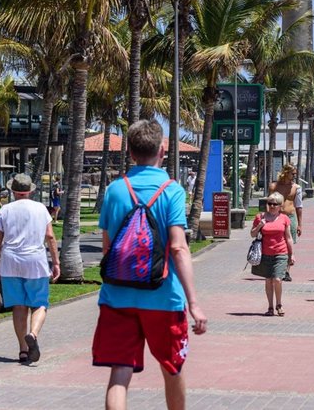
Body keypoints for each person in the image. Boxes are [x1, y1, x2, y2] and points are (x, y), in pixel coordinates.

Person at [92, 119, 207, 410]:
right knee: (172, 368)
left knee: (119, 372)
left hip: (117, 296)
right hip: (163, 298)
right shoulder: (171, 190)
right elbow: (178, 247)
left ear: (130, 152)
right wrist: (194, 303)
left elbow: (107, 247)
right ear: (163, 150)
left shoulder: (115, 190)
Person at [0, 173, 60, 364]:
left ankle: (23, 349)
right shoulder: (40, 209)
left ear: (13, 191)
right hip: (35, 261)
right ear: (30, 191)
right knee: (39, 303)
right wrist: (56, 262)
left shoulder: (5, 210)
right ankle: (33, 334)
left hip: (11, 261)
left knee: (19, 305)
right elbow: (51, 237)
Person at [249, 192, 294, 316]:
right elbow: (252, 234)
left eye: (275, 204)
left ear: (280, 206)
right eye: (270, 204)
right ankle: (270, 307)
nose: (272, 206)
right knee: (268, 280)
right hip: (265, 253)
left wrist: (291, 254)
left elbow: (288, 237)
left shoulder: (284, 218)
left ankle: (279, 304)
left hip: (281, 253)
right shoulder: (260, 217)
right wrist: (259, 225)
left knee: (278, 279)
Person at [269, 164, 302, 282]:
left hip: (291, 217)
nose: (294, 176)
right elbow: (269, 204)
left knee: (289, 243)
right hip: (276, 217)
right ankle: (276, 268)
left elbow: (299, 206)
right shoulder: (274, 186)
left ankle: (287, 271)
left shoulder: (296, 187)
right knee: (275, 243)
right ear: (286, 173)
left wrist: (300, 224)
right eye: (292, 173)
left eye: (295, 174)